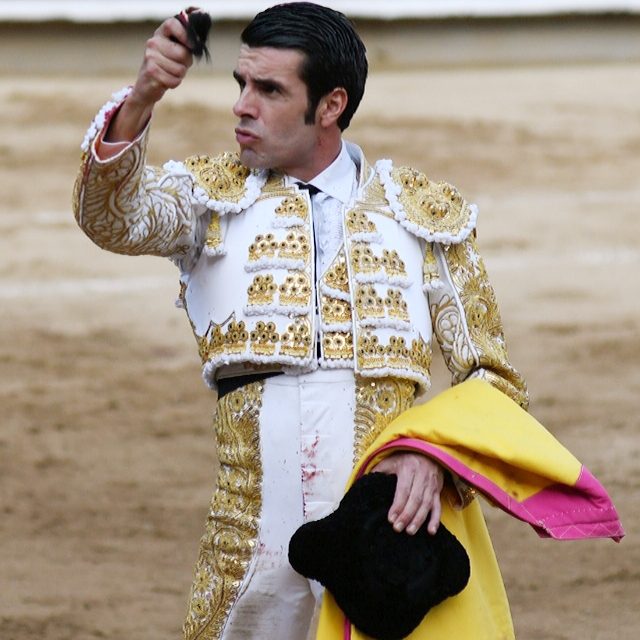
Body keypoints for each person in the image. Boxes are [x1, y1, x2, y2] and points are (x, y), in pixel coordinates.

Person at [73, 3, 530, 638]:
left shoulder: (419, 215)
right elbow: (110, 217)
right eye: (240, 84)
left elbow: (493, 379)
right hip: (250, 537)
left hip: (383, 532)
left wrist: (431, 457)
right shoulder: (208, 200)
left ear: (331, 104)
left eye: (268, 89)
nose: (242, 105)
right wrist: (145, 95)